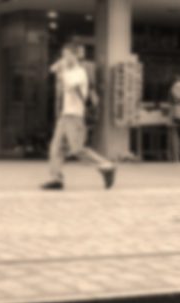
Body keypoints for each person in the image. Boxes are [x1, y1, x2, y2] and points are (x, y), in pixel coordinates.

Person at [41, 42, 116, 191]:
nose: (64, 58)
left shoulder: (80, 72)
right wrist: (60, 66)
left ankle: (107, 166)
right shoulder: (68, 69)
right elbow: (51, 69)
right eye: (63, 55)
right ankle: (56, 178)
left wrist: (61, 69)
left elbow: (69, 84)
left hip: (75, 116)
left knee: (77, 149)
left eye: (67, 55)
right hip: (65, 115)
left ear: (75, 56)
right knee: (56, 148)